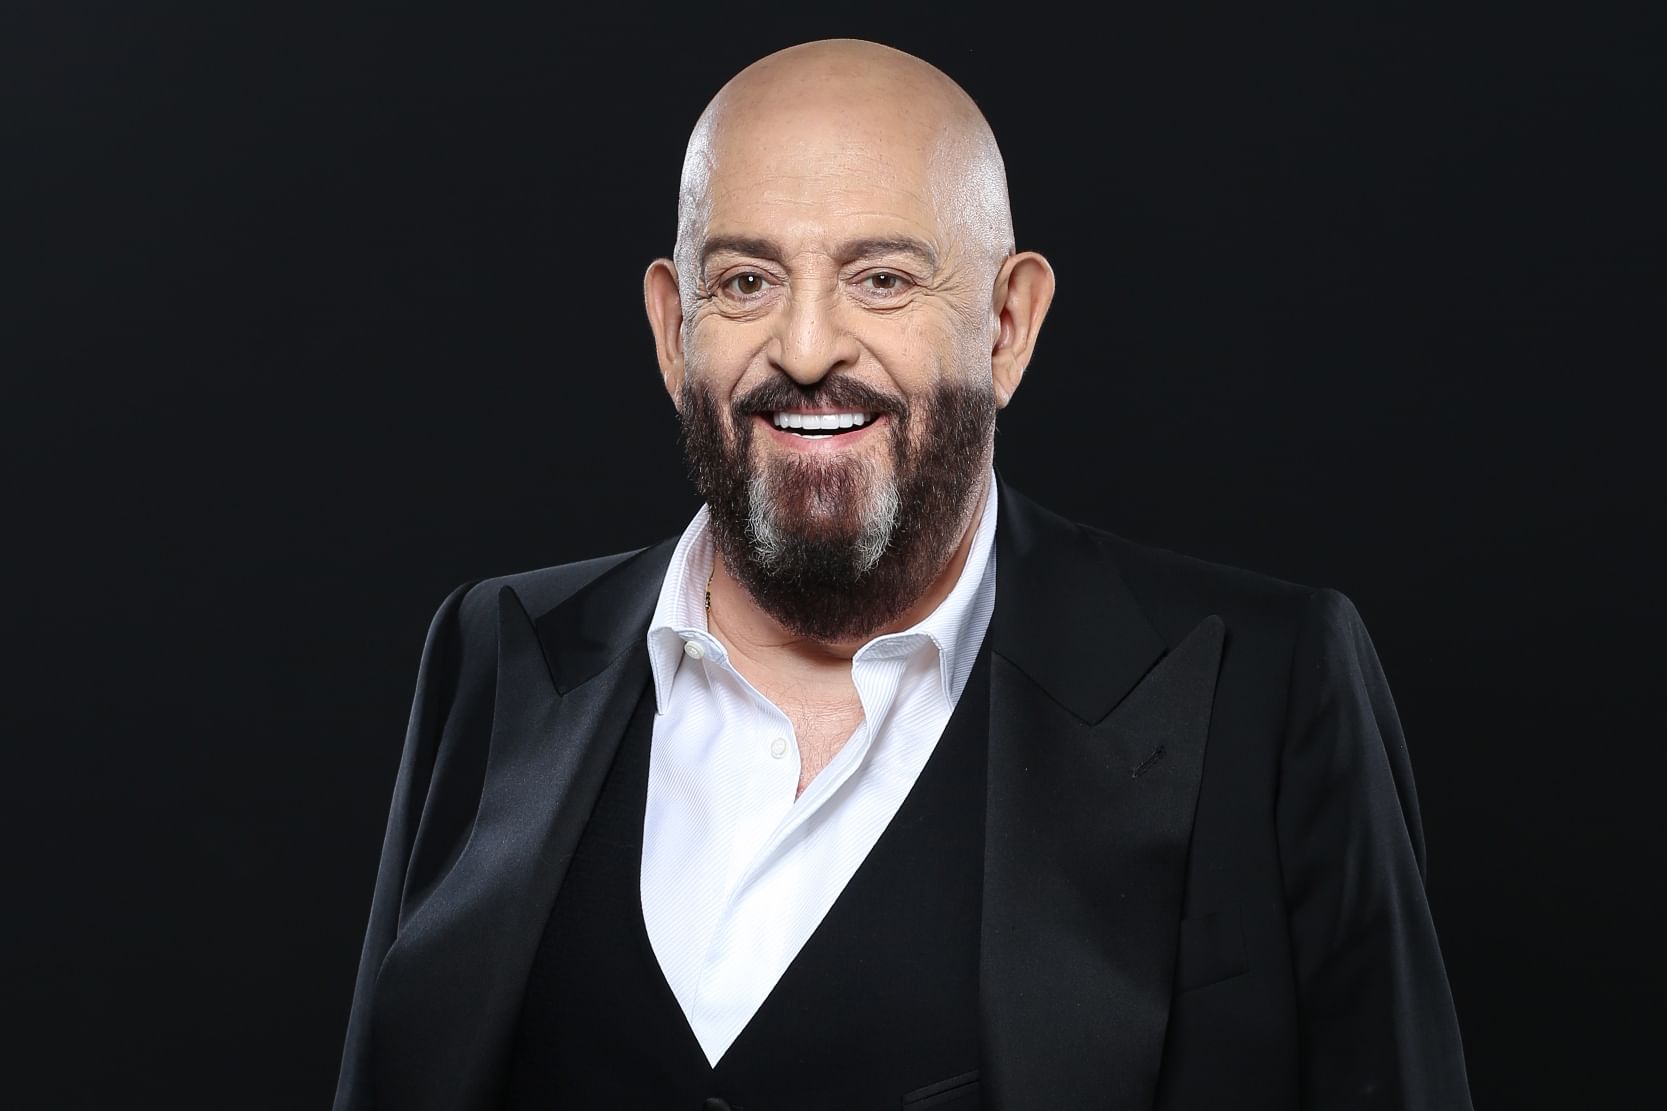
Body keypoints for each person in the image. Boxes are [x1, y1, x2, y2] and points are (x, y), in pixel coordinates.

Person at [333, 38, 1471, 1111]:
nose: (806, 347)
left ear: (1007, 324)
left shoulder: (1265, 687)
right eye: (746, 281)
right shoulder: (494, 652)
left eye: (881, 279)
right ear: (673, 328)